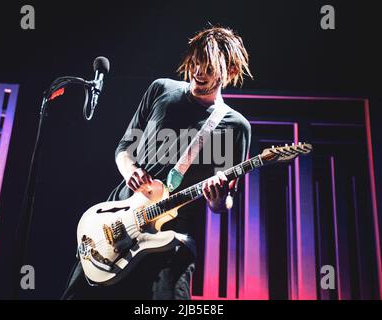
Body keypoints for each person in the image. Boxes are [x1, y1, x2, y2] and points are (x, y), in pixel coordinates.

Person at [62, 26, 253, 300]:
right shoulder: (161, 89)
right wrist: (131, 171)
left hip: (171, 238)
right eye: (196, 63)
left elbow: (225, 203)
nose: (199, 72)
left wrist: (217, 199)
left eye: (209, 68)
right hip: (118, 223)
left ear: (229, 71)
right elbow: (123, 149)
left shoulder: (236, 126)